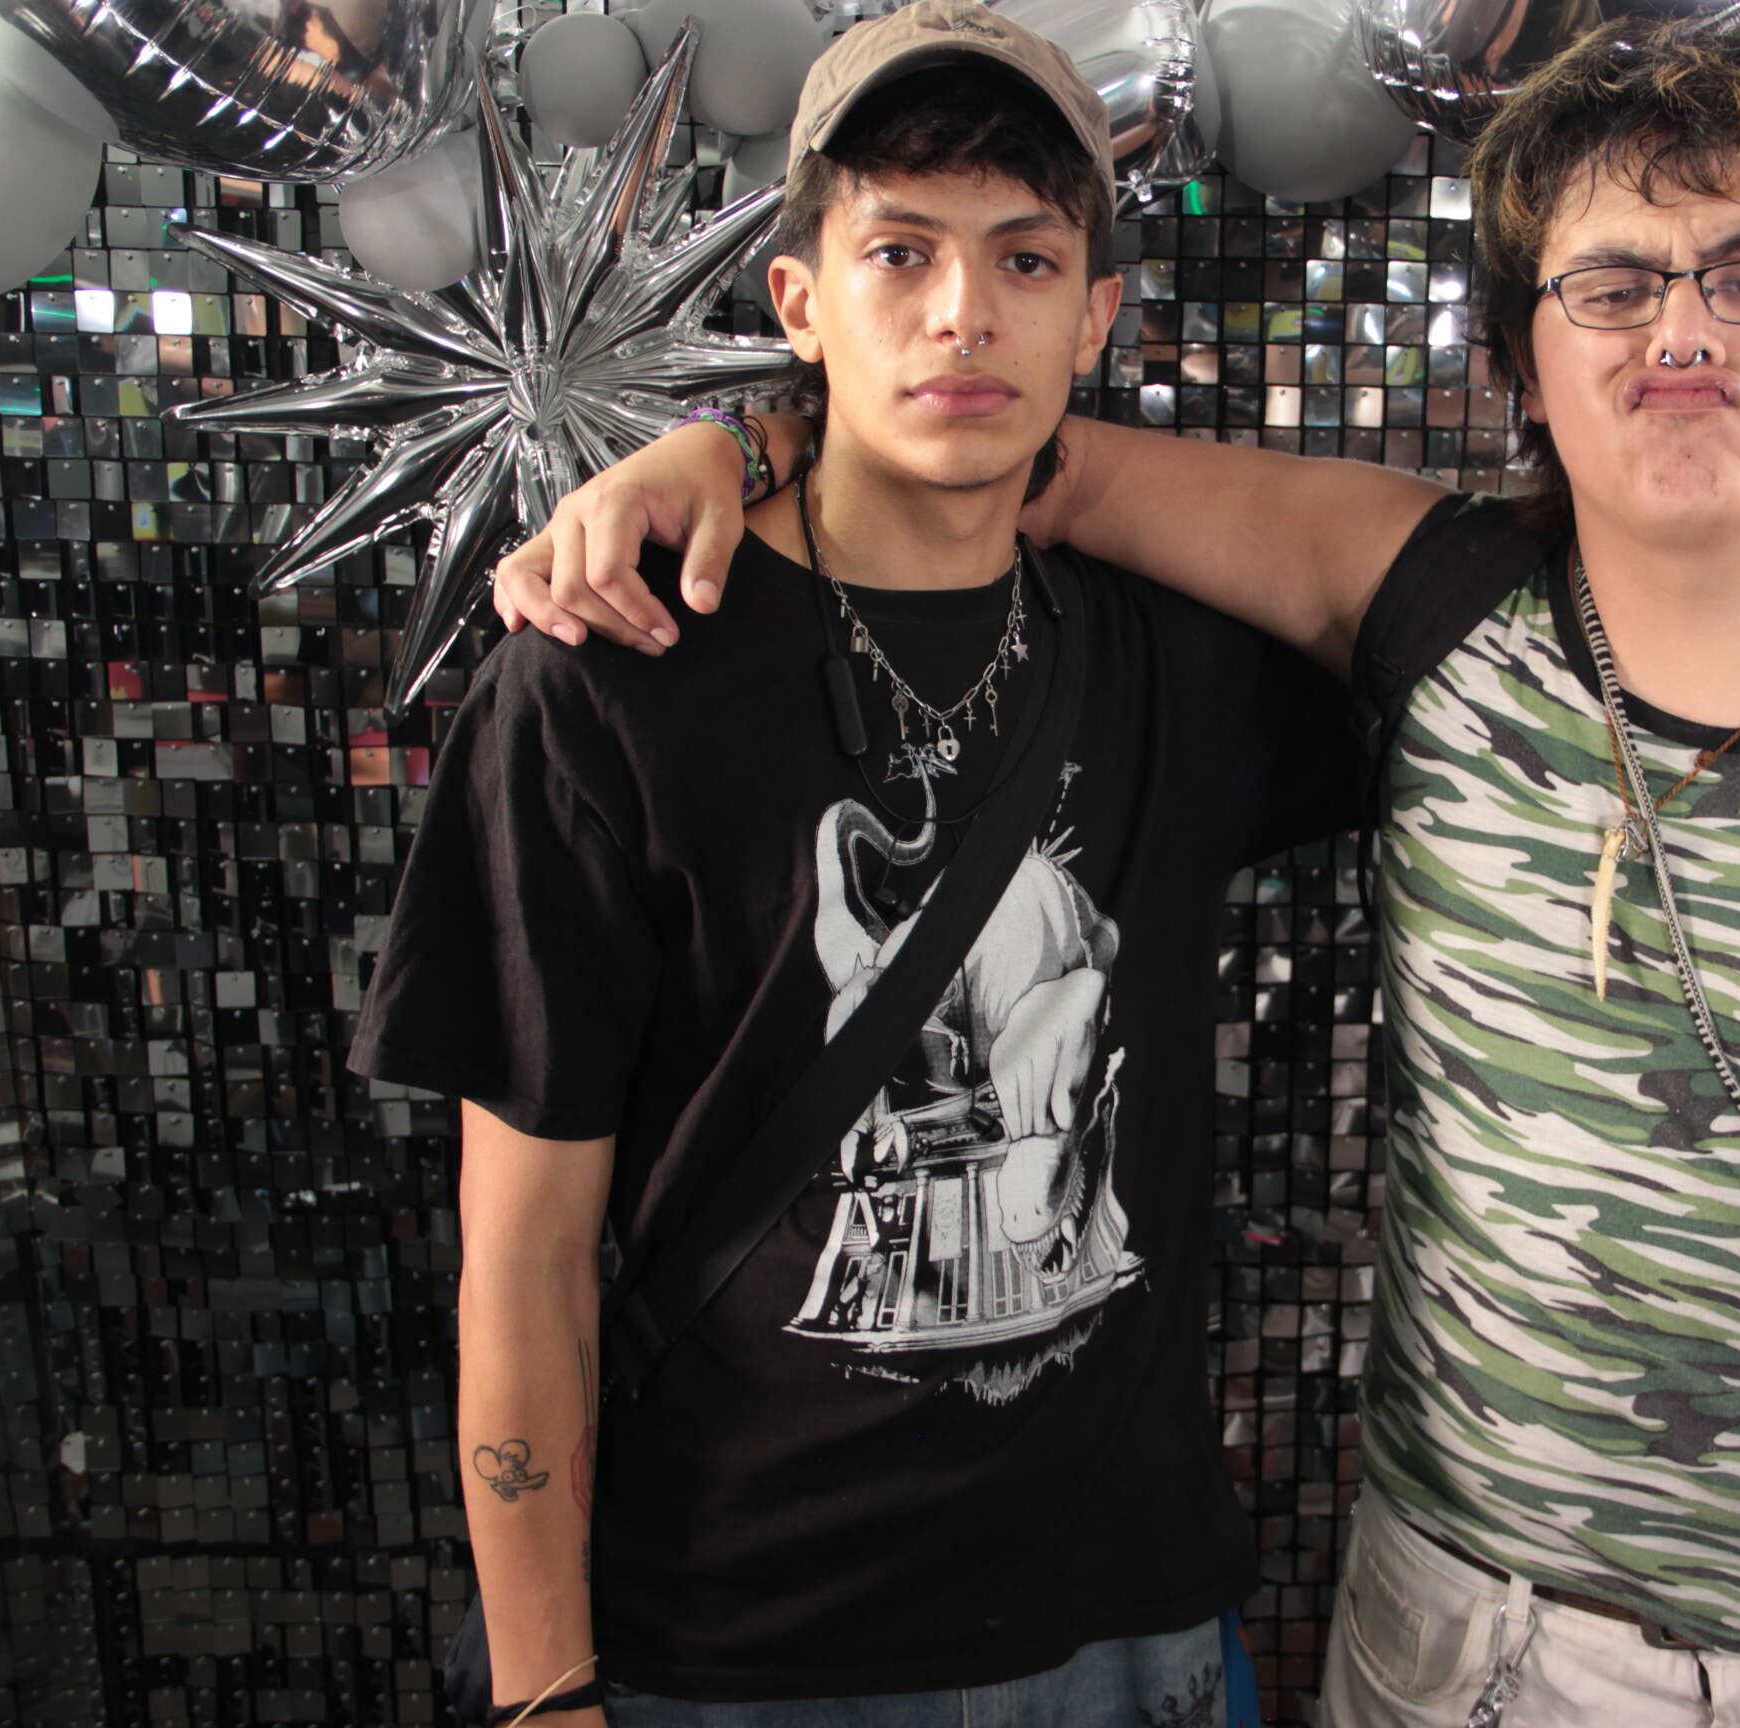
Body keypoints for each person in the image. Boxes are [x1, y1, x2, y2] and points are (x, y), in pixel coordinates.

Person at [480, 21, 1740, 1728]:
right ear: (1523, 351)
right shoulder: (1430, 612)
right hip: (1364, 1641)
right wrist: (728, 441)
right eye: (1614, 286)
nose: (1683, 332)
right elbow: (990, 455)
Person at [352, 8, 1358, 1725]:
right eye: (898, 251)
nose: (963, 312)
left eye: (1026, 259)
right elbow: (522, 1259)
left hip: (1121, 1640)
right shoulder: (604, 682)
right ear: (798, 300)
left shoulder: (1177, 665)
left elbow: (1503, 600)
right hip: (727, 1651)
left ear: (1095, 315)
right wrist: (542, 1692)